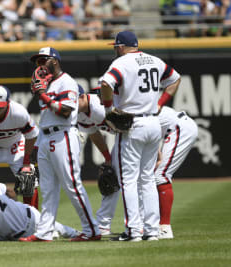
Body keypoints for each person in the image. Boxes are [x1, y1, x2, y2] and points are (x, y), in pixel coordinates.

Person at [100, 31, 181, 241]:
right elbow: (175, 79)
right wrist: (160, 103)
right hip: (154, 122)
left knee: (128, 180)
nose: (114, 49)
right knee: (147, 179)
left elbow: (106, 84)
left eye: (115, 46)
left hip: (131, 123)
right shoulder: (155, 60)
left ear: (120, 46)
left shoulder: (122, 62)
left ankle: (134, 231)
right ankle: (152, 231)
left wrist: (108, 109)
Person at [19, 47, 101, 242]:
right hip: (47, 136)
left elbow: (65, 111)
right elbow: (47, 115)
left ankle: (92, 230)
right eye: (37, 61)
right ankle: (44, 232)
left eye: (43, 60)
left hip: (63, 134)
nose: (39, 65)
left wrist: (44, 96)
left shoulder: (67, 81)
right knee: (48, 189)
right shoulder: (47, 84)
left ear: (54, 61)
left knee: (72, 185)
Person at [77, 84, 118, 236]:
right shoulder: (80, 113)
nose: (70, 105)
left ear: (82, 96)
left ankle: (142, 223)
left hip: (135, 135)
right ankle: (103, 224)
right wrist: (107, 157)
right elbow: (94, 133)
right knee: (111, 176)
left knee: (134, 179)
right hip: (124, 138)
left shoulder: (99, 107)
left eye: (73, 100)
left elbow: (129, 125)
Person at [155, 106, 198, 239]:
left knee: (161, 175)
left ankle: (164, 228)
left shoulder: (131, 105)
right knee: (154, 175)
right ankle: (154, 225)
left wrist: (159, 157)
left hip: (179, 128)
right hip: (173, 128)